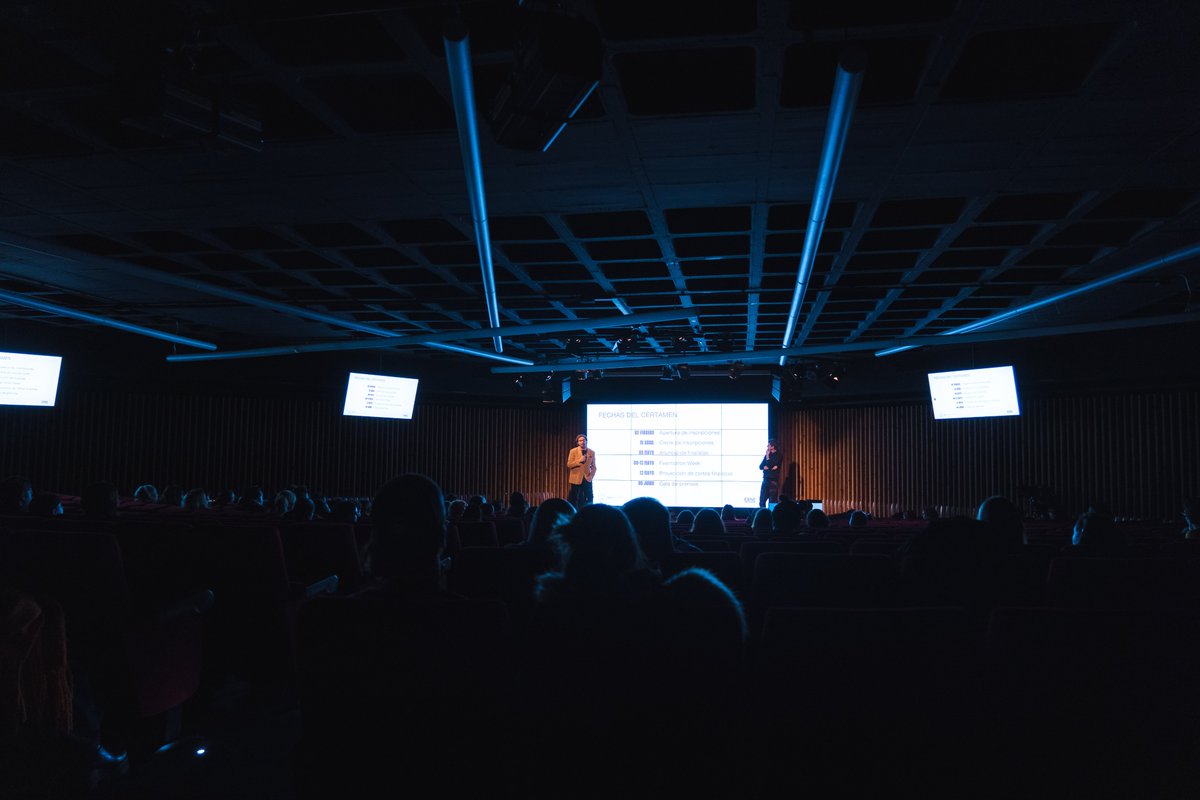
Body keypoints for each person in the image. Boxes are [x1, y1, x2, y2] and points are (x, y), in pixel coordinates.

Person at [566, 433, 596, 507]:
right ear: (578, 443)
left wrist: (591, 476)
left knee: (589, 497)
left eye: (584, 440)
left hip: (587, 478)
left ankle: (589, 512)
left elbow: (594, 467)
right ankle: (574, 513)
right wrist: (579, 460)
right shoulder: (573, 451)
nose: (582, 442)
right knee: (574, 498)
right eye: (580, 440)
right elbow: (569, 464)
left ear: (586, 441)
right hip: (575, 478)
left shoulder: (591, 452)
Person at [759, 439, 781, 508]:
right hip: (765, 480)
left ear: (773, 446)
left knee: (772, 501)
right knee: (762, 500)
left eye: (768, 445)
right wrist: (767, 466)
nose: (767, 446)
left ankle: (771, 516)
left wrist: (768, 458)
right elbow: (761, 466)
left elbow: (770, 465)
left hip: (773, 481)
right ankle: (762, 515)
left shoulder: (778, 455)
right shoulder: (767, 455)